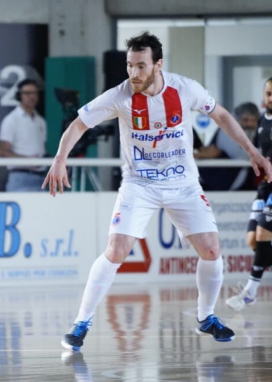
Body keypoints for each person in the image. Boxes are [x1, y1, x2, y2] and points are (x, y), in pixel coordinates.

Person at [43, 31, 272, 350]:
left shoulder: (184, 89)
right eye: (129, 65)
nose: (133, 73)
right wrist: (59, 160)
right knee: (116, 250)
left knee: (211, 250)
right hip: (140, 184)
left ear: (158, 65)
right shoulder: (120, 95)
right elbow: (79, 124)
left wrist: (252, 152)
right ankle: (81, 323)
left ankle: (205, 317)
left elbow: (220, 114)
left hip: (183, 184)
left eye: (141, 66)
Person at [226, 78, 272, 311]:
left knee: (263, 234)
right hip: (266, 186)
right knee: (253, 240)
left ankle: (250, 292)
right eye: (268, 93)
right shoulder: (262, 120)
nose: (271, 98)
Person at [195, 102, 260, 191]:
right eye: (245, 120)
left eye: (253, 121)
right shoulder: (226, 129)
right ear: (237, 119)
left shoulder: (256, 133)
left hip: (234, 186)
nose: (249, 124)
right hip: (214, 184)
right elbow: (241, 155)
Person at [0, 78, 47, 192]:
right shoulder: (11, 120)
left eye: (34, 93)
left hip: (41, 178)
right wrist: (28, 161)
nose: (32, 97)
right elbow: (2, 152)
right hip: (20, 177)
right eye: (27, 93)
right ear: (19, 96)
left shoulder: (40, 121)